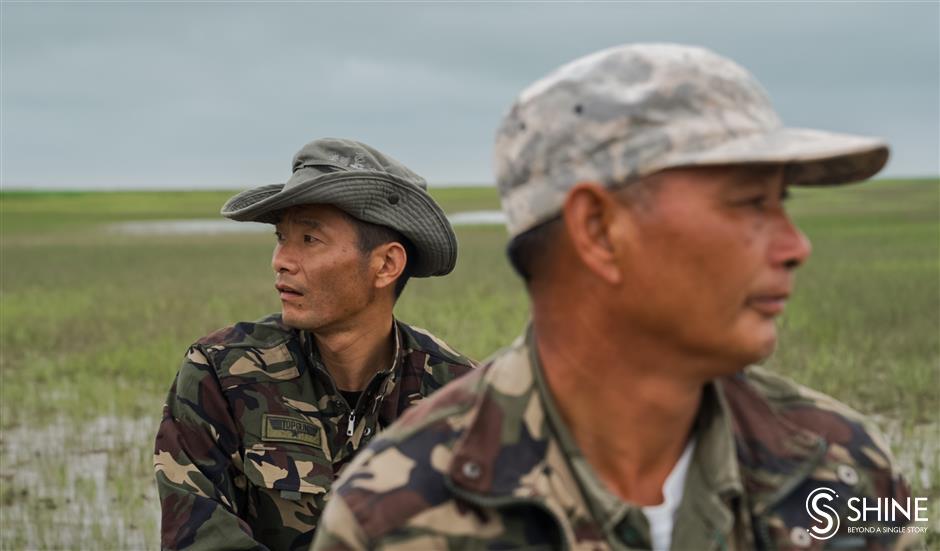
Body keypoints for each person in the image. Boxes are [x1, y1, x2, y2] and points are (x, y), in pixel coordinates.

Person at [311, 44, 921, 550]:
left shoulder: (849, 467)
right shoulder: (393, 515)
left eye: (782, 203)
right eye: (750, 202)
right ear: (599, 232)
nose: (796, 246)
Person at [153, 138, 476, 550]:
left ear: (386, 265)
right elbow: (198, 538)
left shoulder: (460, 397)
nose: (281, 260)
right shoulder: (222, 373)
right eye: (280, 237)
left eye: (309, 240)